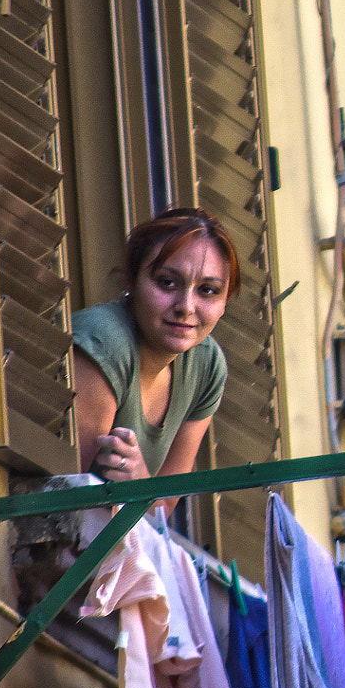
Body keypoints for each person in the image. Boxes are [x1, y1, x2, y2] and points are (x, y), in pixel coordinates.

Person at [72, 207, 237, 486]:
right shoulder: (104, 342)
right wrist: (143, 492)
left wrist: (141, 482)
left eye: (207, 290)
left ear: (224, 302)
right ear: (131, 280)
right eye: (167, 282)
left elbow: (166, 502)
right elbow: (67, 491)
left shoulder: (207, 366)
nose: (186, 307)